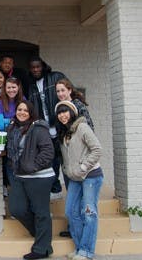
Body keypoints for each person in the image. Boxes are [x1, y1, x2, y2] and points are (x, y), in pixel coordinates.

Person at [6, 100, 55, 260]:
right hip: (20, 175)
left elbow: (48, 152)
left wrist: (33, 166)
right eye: (19, 109)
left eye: (25, 110)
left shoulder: (38, 128)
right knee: (16, 209)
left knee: (41, 212)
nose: (21, 112)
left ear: (31, 113)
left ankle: (42, 249)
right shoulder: (13, 128)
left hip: (40, 177)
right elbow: (11, 150)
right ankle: (42, 235)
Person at [55, 101, 102, 260]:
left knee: (89, 213)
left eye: (65, 111)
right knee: (71, 211)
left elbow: (97, 149)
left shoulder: (82, 127)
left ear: (72, 112)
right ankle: (80, 248)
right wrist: (69, 171)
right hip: (74, 178)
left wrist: (84, 166)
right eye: (59, 113)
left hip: (91, 176)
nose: (62, 115)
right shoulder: (64, 133)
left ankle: (87, 251)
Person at [28, 56, 67, 197]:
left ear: (43, 66)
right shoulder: (31, 85)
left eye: (38, 66)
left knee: (63, 158)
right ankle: (54, 188)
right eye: (33, 67)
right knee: (50, 158)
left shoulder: (56, 77)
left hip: (59, 124)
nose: (36, 70)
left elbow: (68, 94)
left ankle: (61, 189)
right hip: (44, 128)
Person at [0, 76, 25, 195]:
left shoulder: (23, 100)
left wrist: (8, 120)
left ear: (18, 88)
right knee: (10, 164)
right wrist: (15, 120)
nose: (11, 90)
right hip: (7, 140)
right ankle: (12, 187)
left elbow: (26, 120)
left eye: (14, 87)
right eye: (8, 87)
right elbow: (1, 125)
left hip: (21, 139)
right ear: (4, 88)